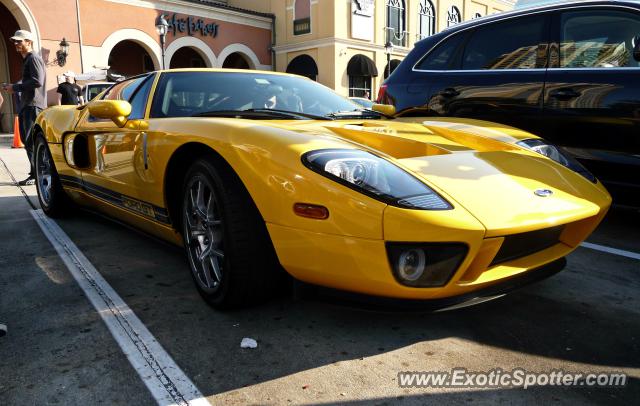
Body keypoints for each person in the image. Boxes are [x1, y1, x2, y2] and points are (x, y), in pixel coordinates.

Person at [1, 30, 47, 186]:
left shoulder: (33, 58)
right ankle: (36, 173)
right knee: (29, 142)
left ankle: (37, 174)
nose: (16, 44)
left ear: (29, 42)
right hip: (28, 106)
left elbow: (37, 81)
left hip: (32, 106)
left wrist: (15, 87)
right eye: (14, 41)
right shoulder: (29, 59)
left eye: (19, 41)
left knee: (31, 142)